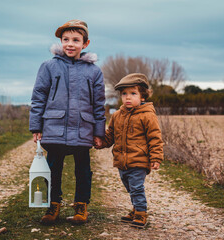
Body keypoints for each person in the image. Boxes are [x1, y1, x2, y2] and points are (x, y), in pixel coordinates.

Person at [29, 19, 106, 225]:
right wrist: (36, 126)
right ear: (60, 41)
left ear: (86, 43)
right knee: (53, 167)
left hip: (83, 129)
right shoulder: (48, 66)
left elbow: (99, 105)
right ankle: (52, 205)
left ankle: (81, 205)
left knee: (83, 169)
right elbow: (39, 97)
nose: (70, 44)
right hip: (54, 127)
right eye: (65, 39)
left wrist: (99, 133)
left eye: (75, 40)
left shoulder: (94, 72)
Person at [95, 73, 163, 229]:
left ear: (143, 97)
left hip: (139, 160)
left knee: (137, 187)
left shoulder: (147, 115)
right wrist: (101, 142)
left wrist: (156, 158)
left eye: (133, 94)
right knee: (130, 187)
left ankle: (141, 212)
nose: (127, 97)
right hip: (122, 161)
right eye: (124, 94)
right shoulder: (117, 115)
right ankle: (135, 208)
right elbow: (110, 135)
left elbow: (155, 138)